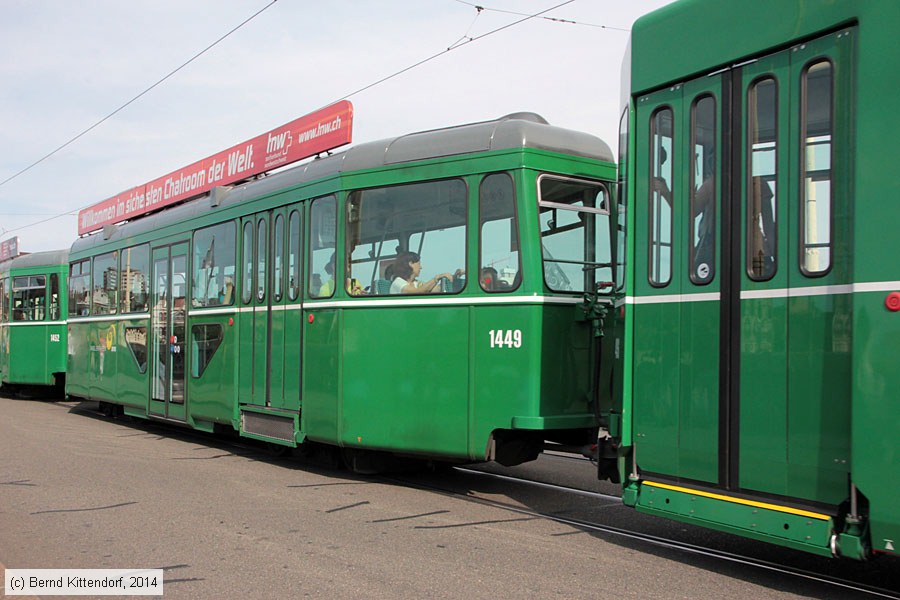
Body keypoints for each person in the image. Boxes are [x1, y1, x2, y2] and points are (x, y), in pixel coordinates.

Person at [390, 251, 458, 294]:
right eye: (419, 264)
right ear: (411, 264)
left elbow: (435, 289)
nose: (421, 267)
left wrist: (454, 277)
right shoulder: (398, 282)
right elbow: (417, 292)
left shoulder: (416, 283)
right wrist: (437, 278)